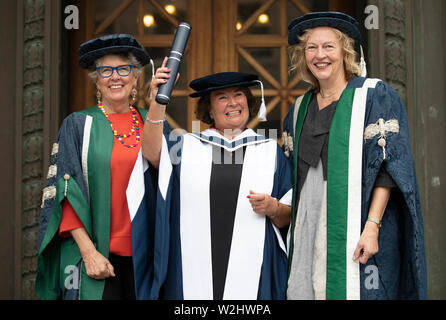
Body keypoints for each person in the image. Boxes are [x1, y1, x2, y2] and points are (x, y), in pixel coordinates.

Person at [283, 11, 427, 300]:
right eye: (312, 47)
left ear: (345, 51)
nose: (319, 55)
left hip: (357, 222)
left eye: (328, 47)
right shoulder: (299, 108)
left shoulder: (373, 96)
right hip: (308, 223)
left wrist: (372, 227)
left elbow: (388, 169)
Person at [140, 66, 293, 299]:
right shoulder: (187, 147)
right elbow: (151, 153)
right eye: (222, 97)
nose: (233, 103)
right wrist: (158, 101)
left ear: (248, 102)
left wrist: (274, 208)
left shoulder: (269, 151)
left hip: (254, 268)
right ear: (209, 110)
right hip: (193, 265)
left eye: (239, 95)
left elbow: (289, 215)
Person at [36, 34, 155, 300]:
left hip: (146, 257)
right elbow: (66, 193)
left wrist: (158, 107)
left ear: (135, 77)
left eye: (123, 69)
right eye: (106, 70)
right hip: (99, 255)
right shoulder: (78, 124)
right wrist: (89, 253)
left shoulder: (151, 122)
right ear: (97, 81)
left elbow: (168, 176)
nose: (115, 77)